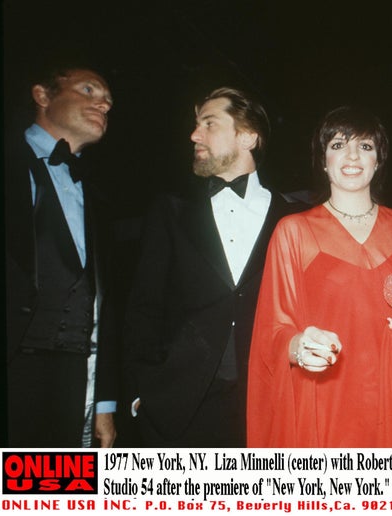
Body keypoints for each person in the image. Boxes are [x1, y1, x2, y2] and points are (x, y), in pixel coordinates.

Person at [247, 106, 392, 447]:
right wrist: (301, 347)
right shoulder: (293, 231)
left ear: (378, 160)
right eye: (338, 145)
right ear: (324, 161)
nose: (352, 155)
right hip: (328, 401)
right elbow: (273, 332)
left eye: (365, 146)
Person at [123, 87, 302, 446]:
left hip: (270, 403)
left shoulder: (295, 219)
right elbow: (144, 307)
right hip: (179, 410)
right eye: (196, 125)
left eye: (209, 123)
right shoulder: (170, 211)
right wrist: (142, 392)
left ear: (248, 137)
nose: (194, 135)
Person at [5, 62, 118, 447]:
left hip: (72, 381)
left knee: (55, 482)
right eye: (89, 90)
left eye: (108, 101)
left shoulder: (100, 196)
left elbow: (104, 306)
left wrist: (104, 402)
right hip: (13, 371)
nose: (103, 104)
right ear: (42, 95)